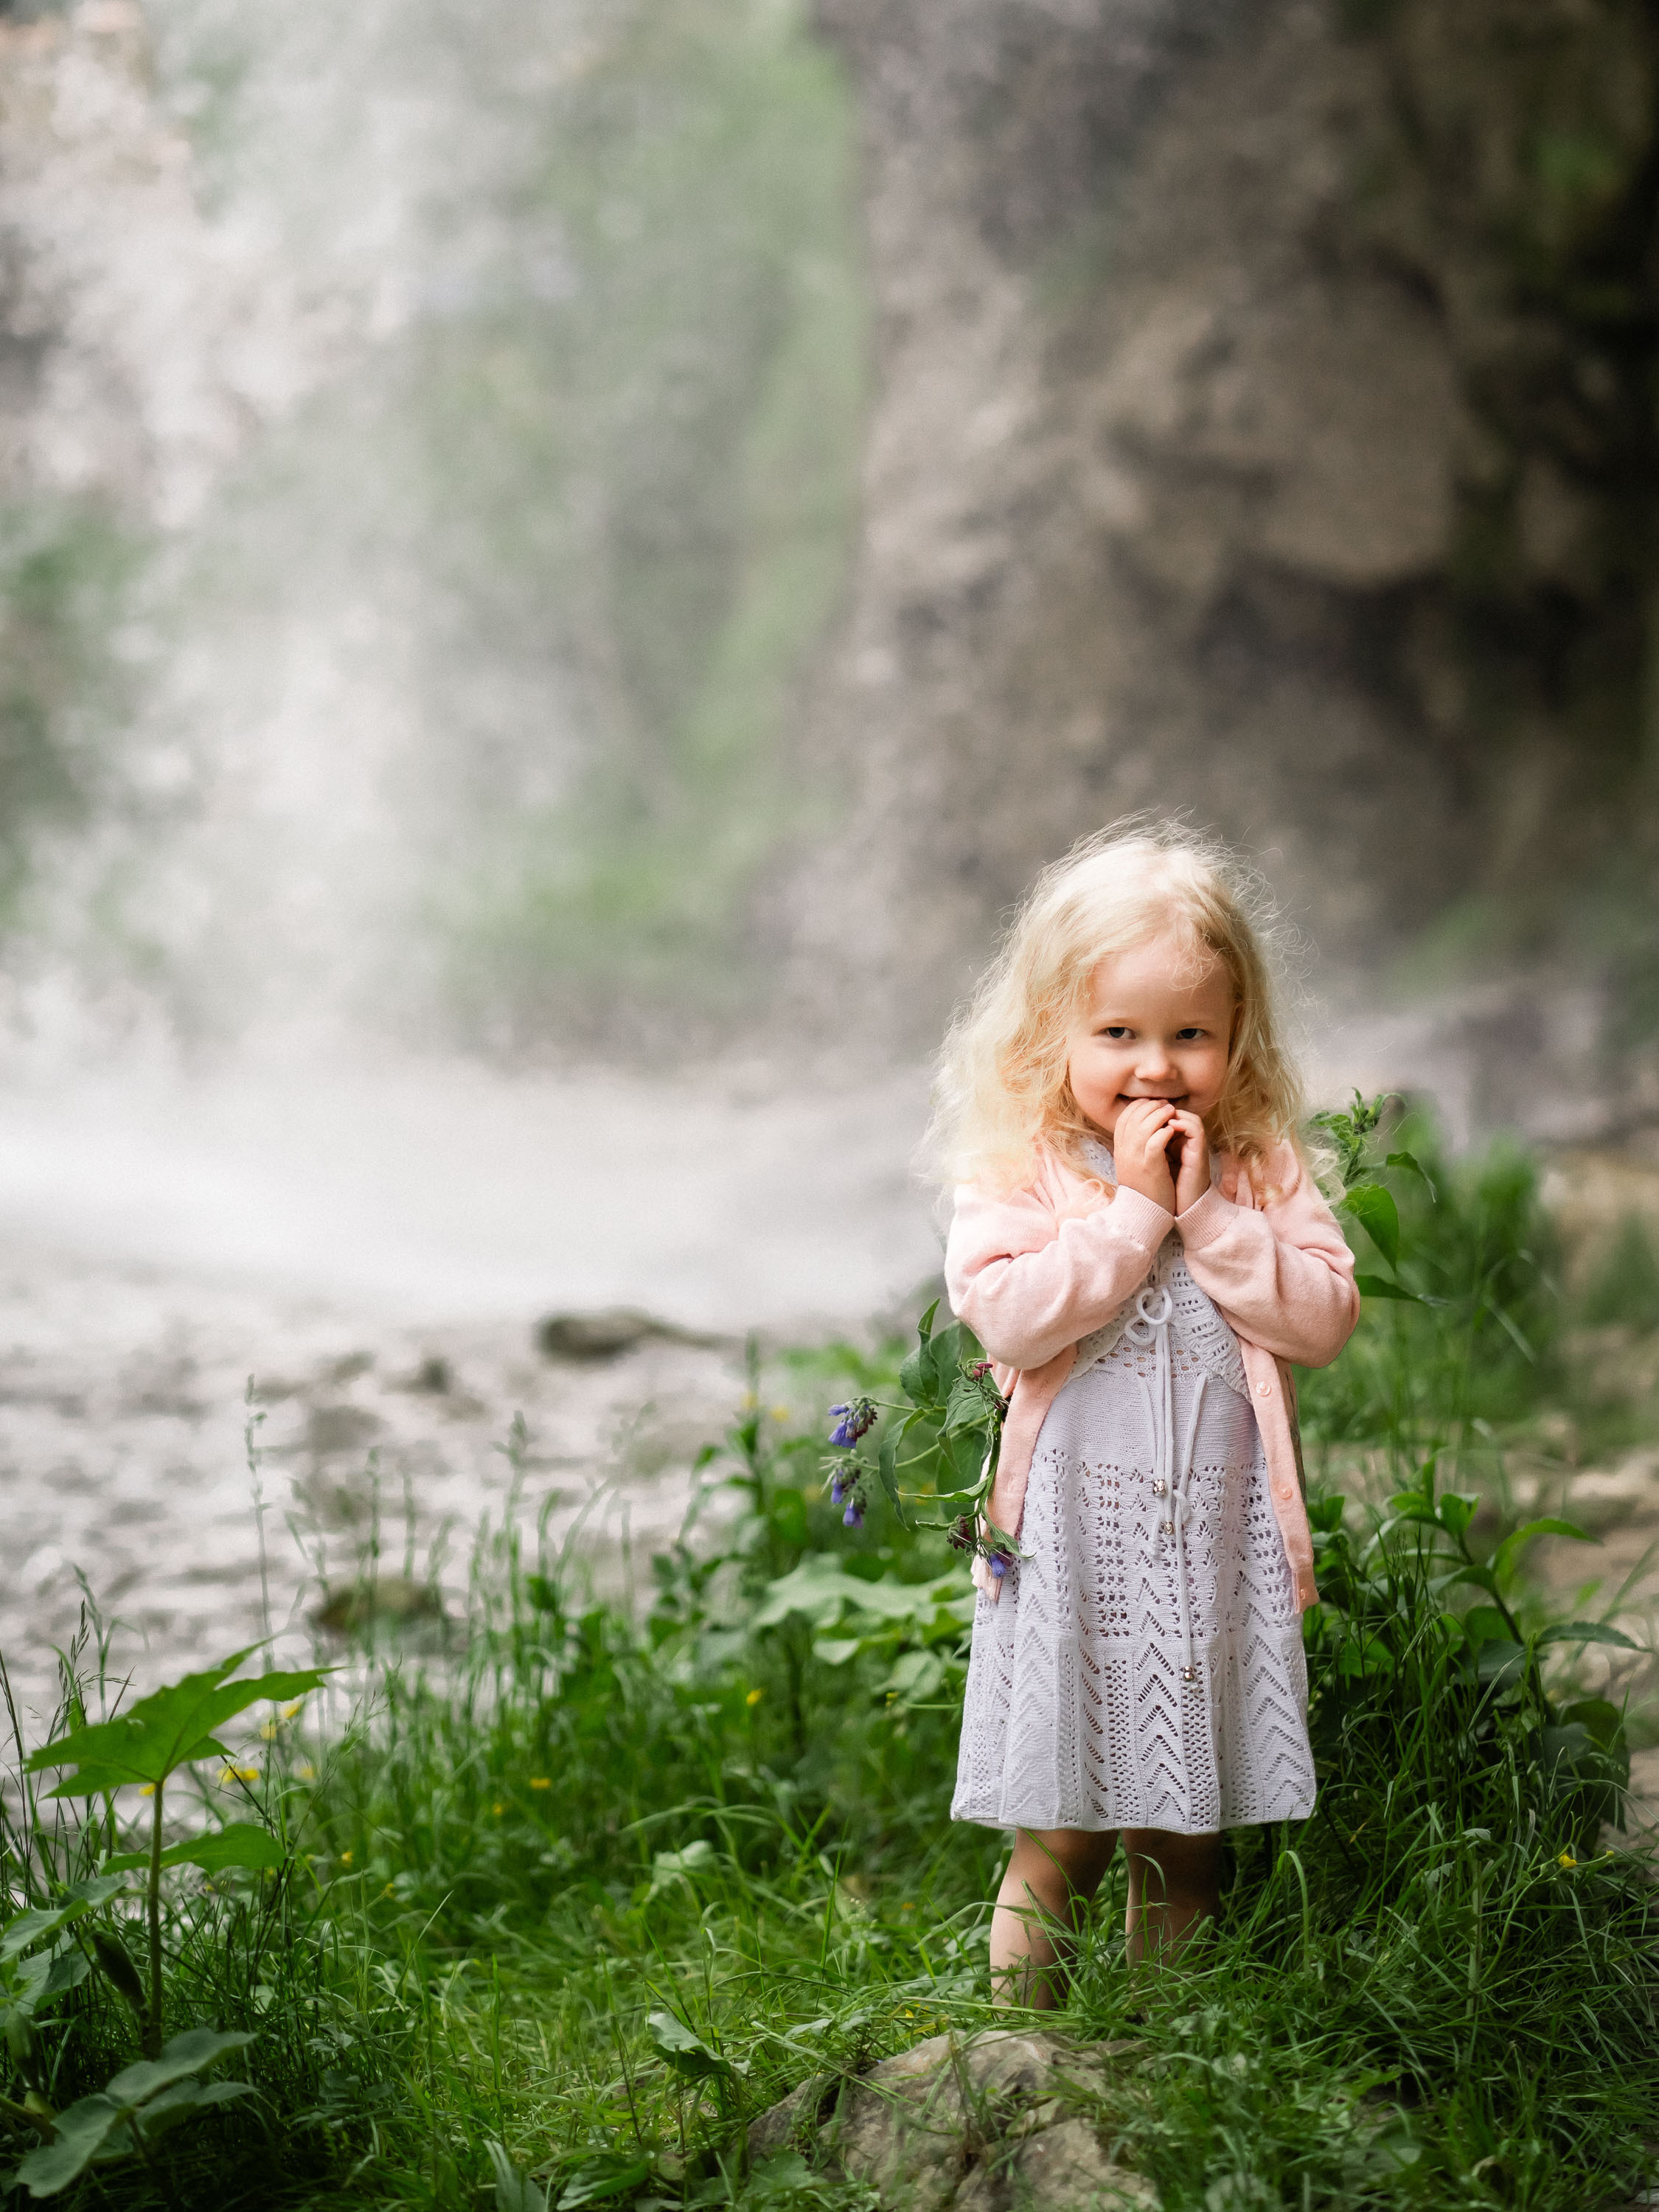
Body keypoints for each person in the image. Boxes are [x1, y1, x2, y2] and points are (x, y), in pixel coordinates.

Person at [929, 819, 1360, 2004]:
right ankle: (1021, 2048)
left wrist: (1210, 1216)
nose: (1155, 1067)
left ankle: (1162, 2058)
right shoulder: (1021, 1168)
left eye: (1190, 1035)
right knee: (1055, 1833)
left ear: (1238, 1038)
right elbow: (1011, 1319)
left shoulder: (1259, 1164)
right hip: (1072, 1562)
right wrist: (1128, 1215)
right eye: (1115, 1034)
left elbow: (1321, 1317)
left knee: (1185, 1839)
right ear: (1050, 1035)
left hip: (1204, 1563)